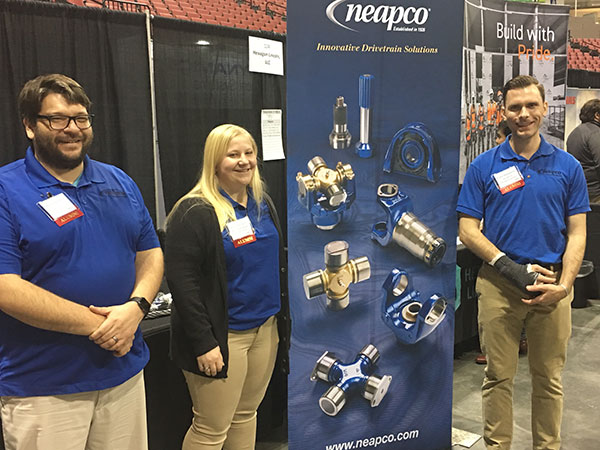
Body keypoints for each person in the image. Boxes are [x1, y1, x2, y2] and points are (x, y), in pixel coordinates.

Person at [0, 74, 164, 450]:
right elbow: (6, 288)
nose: (72, 129)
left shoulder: (119, 181)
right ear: (29, 125)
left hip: (123, 373)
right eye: (57, 119)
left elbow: (150, 252)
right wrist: (106, 326)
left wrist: (136, 309)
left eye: (81, 118)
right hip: (44, 387)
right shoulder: (6, 190)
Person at [457, 75, 589, 449]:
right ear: (504, 111)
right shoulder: (485, 166)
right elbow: (468, 229)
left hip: (551, 286)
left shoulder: (568, 167)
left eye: (531, 105)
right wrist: (507, 267)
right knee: (498, 377)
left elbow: (577, 232)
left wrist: (564, 285)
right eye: (515, 107)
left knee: (548, 379)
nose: (524, 114)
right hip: (499, 285)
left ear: (545, 109)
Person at [165, 124, 289, 450]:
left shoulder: (263, 204)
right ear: (215, 162)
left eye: (249, 153)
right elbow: (183, 284)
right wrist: (205, 343)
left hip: (265, 329)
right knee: (211, 429)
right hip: (224, 336)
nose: (244, 161)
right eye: (233, 155)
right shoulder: (194, 211)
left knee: (246, 415)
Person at [474, 119, 528, 366]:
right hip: (498, 269)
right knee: (498, 375)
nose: (497, 140)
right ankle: (512, 342)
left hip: (528, 266)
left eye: (498, 135)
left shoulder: (561, 166)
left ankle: (520, 339)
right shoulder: (486, 165)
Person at [566, 98, 600, 203]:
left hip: (579, 193)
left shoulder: (574, 133)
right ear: (597, 115)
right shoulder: (595, 133)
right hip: (596, 196)